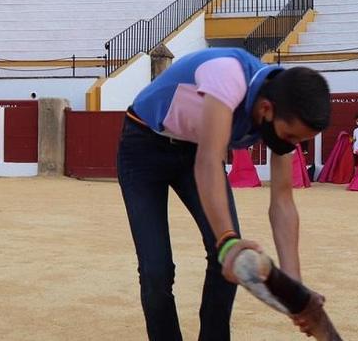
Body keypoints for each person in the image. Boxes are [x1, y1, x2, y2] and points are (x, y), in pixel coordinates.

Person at [116, 47, 331, 341]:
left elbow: (282, 201)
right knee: (157, 270)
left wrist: (294, 290)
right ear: (266, 109)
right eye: (291, 137)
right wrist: (228, 240)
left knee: (228, 262)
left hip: (194, 148)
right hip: (143, 145)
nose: (292, 145)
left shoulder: (283, 109)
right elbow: (207, 161)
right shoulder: (228, 75)